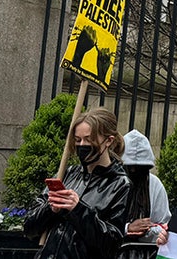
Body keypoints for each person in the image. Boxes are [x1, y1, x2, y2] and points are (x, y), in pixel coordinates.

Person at [23, 108, 131, 259]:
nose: (82, 145)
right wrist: (50, 209)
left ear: (108, 141)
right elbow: (28, 228)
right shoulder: (67, 174)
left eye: (89, 139)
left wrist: (78, 210)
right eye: (78, 139)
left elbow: (111, 244)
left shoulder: (120, 184)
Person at [119, 129, 171, 258]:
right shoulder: (112, 183)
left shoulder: (155, 184)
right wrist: (127, 228)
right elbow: (100, 225)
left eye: (139, 168)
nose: (134, 170)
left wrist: (148, 230)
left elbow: (164, 225)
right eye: (129, 167)